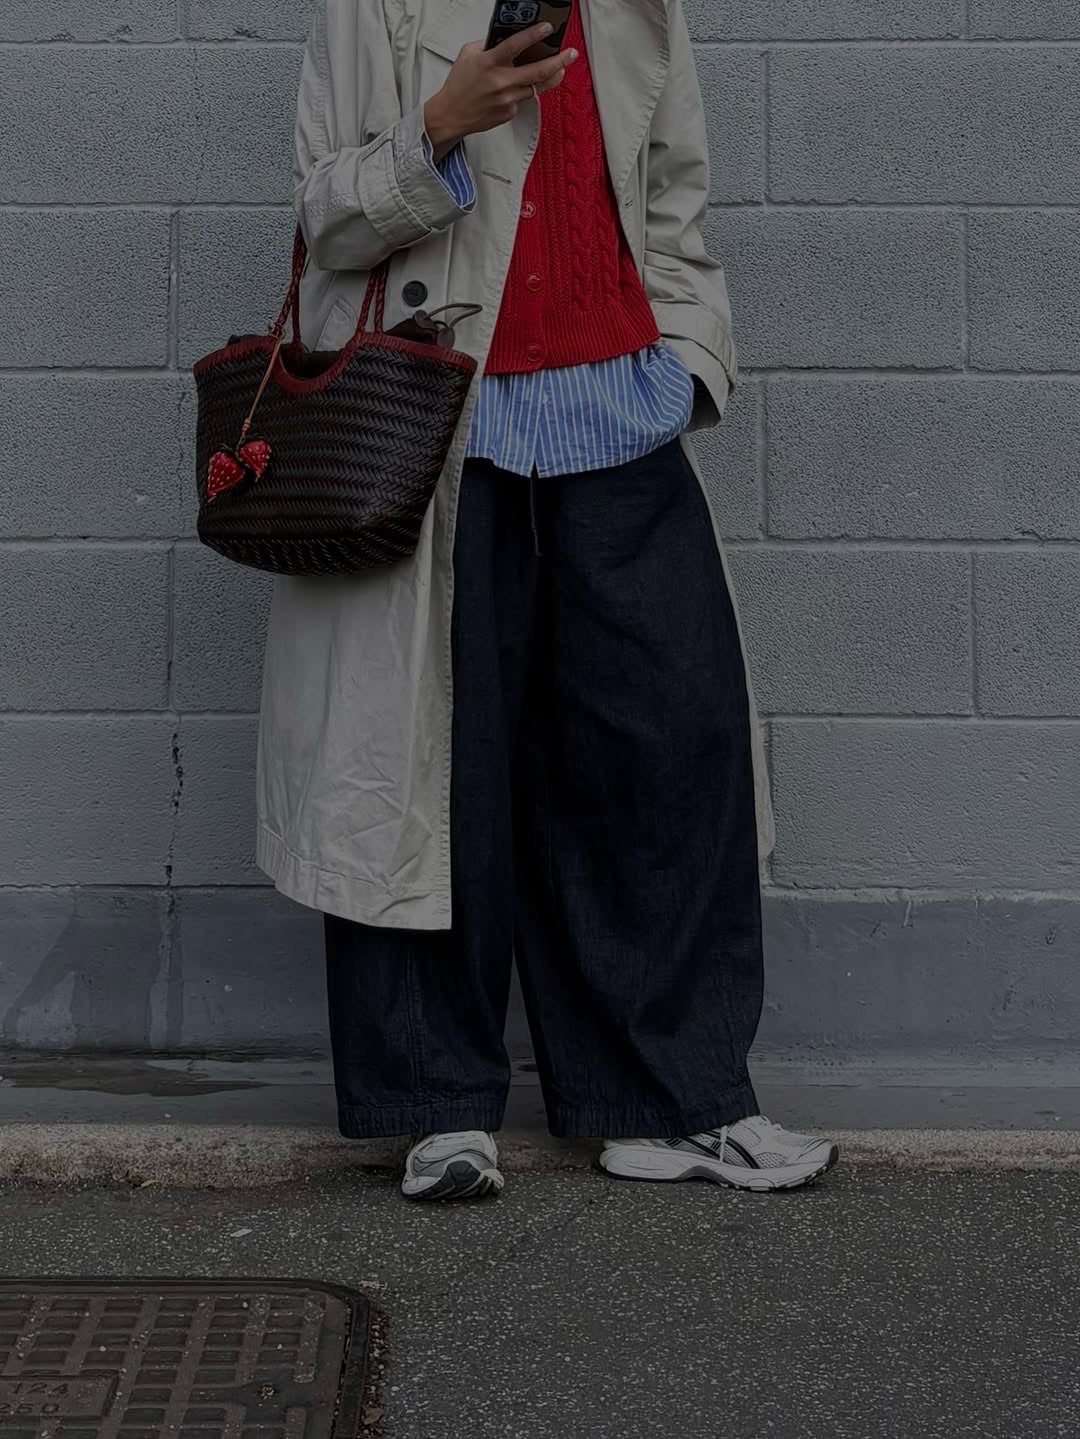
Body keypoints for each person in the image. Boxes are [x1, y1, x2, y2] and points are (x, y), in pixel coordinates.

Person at [258, 0, 839, 1199]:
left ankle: (671, 1098)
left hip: (619, 417)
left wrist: (687, 357)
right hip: (437, 427)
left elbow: (674, 193)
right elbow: (320, 211)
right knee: (428, 766)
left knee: (670, 749)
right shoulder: (379, 2)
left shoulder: (636, 7)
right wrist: (438, 129)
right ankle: (434, 1104)